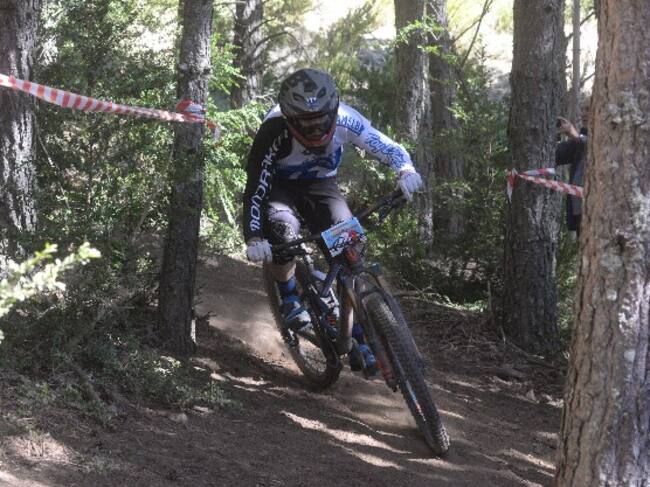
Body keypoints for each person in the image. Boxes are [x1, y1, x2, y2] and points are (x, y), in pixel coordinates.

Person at [242, 68, 422, 356]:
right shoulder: (274, 128)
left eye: (321, 118)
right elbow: (256, 186)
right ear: (289, 117)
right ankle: (289, 296)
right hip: (278, 187)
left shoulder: (347, 118)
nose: (315, 128)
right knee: (282, 231)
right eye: (306, 121)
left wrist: (406, 169)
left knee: (349, 247)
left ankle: (354, 328)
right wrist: (253, 236)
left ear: (334, 109)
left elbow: (384, 145)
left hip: (320, 185)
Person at [556, 96, 590, 238]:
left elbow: (592, 144)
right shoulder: (579, 140)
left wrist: (575, 135)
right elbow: (557, 155)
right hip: (579, 212)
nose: (583, 114)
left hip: (598, 211)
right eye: (582, 110)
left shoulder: (610, 138)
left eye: (588, 109)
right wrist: (553, 135)